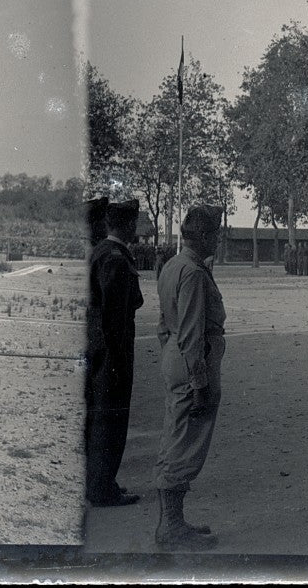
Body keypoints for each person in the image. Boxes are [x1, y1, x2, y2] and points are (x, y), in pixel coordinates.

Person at [153, 205, 226, 551]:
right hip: (192, 362)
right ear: (206, 236)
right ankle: (171, 527)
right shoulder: (194, 273)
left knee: (176, 436)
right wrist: (199, 383)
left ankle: (174, 521)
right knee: (185, 443)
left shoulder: (173, 265)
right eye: (217, 233)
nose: (219, 239)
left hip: (174, 357)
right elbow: (193, 332)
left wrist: (174, 359)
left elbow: (164, 325)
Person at [85, 199, 144, 508]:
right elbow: (115, 319)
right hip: (111, 353)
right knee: (111, 421)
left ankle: (97, 483)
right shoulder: (116, 259)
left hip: (97, 348)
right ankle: (102, 488)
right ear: (128, 226)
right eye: (134, 224)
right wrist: (119, 362)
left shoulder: (101, 253)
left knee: (98, 420)